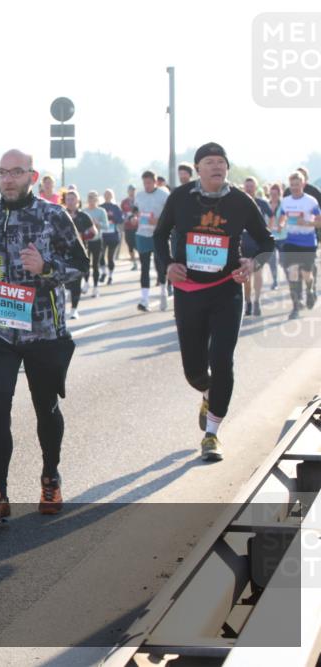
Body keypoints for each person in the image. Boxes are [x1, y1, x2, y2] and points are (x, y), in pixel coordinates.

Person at [0, 149, 88, 525]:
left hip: (43, 332)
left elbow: (82, 265)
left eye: (16, 172)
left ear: (32, 177)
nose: (7, 179)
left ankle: (50, 476)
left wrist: (46, 268)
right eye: (2, 172)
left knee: (45, 406)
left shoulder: (53, 215)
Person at [155, 143, 274, 461]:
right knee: (194, 370)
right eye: (209, 162)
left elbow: (266, 241)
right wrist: (167, 265)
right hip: (189, 291)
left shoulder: (240, 201)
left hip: (226, 290)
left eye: (221, 162)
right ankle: (207, 392)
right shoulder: (180, 198)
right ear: (198, 168)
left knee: (222, 360)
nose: (217, 167)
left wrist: (252, 263)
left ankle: (212, 434)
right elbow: (159, 235)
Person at [279, 170, 321, 318]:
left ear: (303, 184)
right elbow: (283, 217)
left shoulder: (311, 201)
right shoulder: (286, 201)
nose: (295, 187)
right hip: (291, 241)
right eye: (292, 185)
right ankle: (296, 306)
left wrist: (307, 222)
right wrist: (281, 224)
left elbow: (319, 222)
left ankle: (310, 290)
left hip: (308, 242)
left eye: (297, 184)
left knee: (307, 274)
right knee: (293, 273)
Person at [133, 171, 170, 311]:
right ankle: (144, 300)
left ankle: (163, 291)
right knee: (144, 267)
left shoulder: (163, 195)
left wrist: (158, 221)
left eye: (149, 183)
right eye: (144, 183)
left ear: (155, 182)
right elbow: (135, 210)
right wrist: (134, 218)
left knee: (160, 265)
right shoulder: (139, 195)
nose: (146, 186)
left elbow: (169, 215)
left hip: (158, 234)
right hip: (142, 234)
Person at [240, 177, 273, 316]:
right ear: (244, 187)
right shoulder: (238, 202)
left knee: (258, 273)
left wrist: (268, 231)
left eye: (251, 186)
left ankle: (257, 300)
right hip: (242, 244)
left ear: (256, 188)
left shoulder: (262, 203)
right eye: (247, 186)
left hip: (257, 244)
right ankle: (247, 301)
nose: (249, 189)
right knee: (246, 276)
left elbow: (271, 216)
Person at [63, 189, 96, 319]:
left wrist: (83, 236)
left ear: (78, 201)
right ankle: (62, 308)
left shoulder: (84, 216)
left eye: (72, 199)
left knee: (76, 283)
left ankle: (74, 310)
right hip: (63, 253)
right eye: (68, 199)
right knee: (64, 283)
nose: (70, 202)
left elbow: (94, 232)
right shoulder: (61, 214)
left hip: (79, 254)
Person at [83, 191, 110, 296]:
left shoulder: (101, 211)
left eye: (93, 198)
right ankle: (86, 282)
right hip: (85, 241)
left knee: (95, 265)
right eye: (89, 198)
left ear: (97, 199)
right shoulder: (84, 211)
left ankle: (95, 287)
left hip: (97, 240)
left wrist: (98, 223)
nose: (91, 200)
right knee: (85, 264)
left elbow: (106, 226)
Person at [266, 182, 286, 290]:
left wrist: (281, 225)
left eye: (276, 194)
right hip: (270, 237)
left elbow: (284, 217)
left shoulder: (283, 205)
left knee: (283, 261)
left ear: (279, 194)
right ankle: (275, 281)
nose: (273, 196)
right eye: (272, 194)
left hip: (282, 237)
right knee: (272, 261)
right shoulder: (266, 204)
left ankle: (288, 277)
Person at [100, 189, 123, 283]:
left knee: (110, 257)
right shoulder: (101, 207)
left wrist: (112, 218)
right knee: (100, 256)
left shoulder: (115, 207)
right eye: (106, 194)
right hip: (102, 235)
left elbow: (120, 220)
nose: (107, 196)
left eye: (109, 195)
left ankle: (110, 276)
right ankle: (103, 272)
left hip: (113, 235)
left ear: (112, 196)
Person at [121, 185, 139, 269]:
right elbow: (122, 213)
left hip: (138, 227)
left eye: (133, 190)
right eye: (130, 190)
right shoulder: (124, 202)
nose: (132, 192)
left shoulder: (138, 200)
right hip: (128, 227)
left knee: (138, 245)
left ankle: (142, 259)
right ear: (128, 191)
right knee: (130, 245)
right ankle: (134, 262)